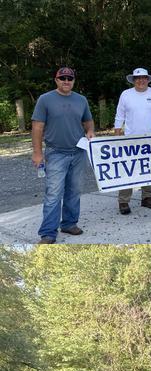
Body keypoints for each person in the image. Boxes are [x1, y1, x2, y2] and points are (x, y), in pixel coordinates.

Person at [31, 67, 94, 244]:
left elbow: (88, 121)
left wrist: (90, 131)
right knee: (53, 193)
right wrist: (37, 153)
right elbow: (37, 127)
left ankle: (69, 223)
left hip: (78, 152)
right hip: (56, 153)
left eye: (70, 78)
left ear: (74, 80)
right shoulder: (45, 99)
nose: (66, 81)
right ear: (56, 80)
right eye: (63, 78)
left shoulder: (81, 100)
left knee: (74, 191)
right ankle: (48, 233)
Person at [113, 67, 151, 215]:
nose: (141, 80)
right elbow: (119, 116)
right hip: (130, 140)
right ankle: (123, 201)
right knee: (128, 170)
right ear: (133, 80)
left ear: (148, 79)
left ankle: (147, 197)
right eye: (138, 78)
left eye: (144, 78)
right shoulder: (126, 94)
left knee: (148, 168)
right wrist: (117, 136)